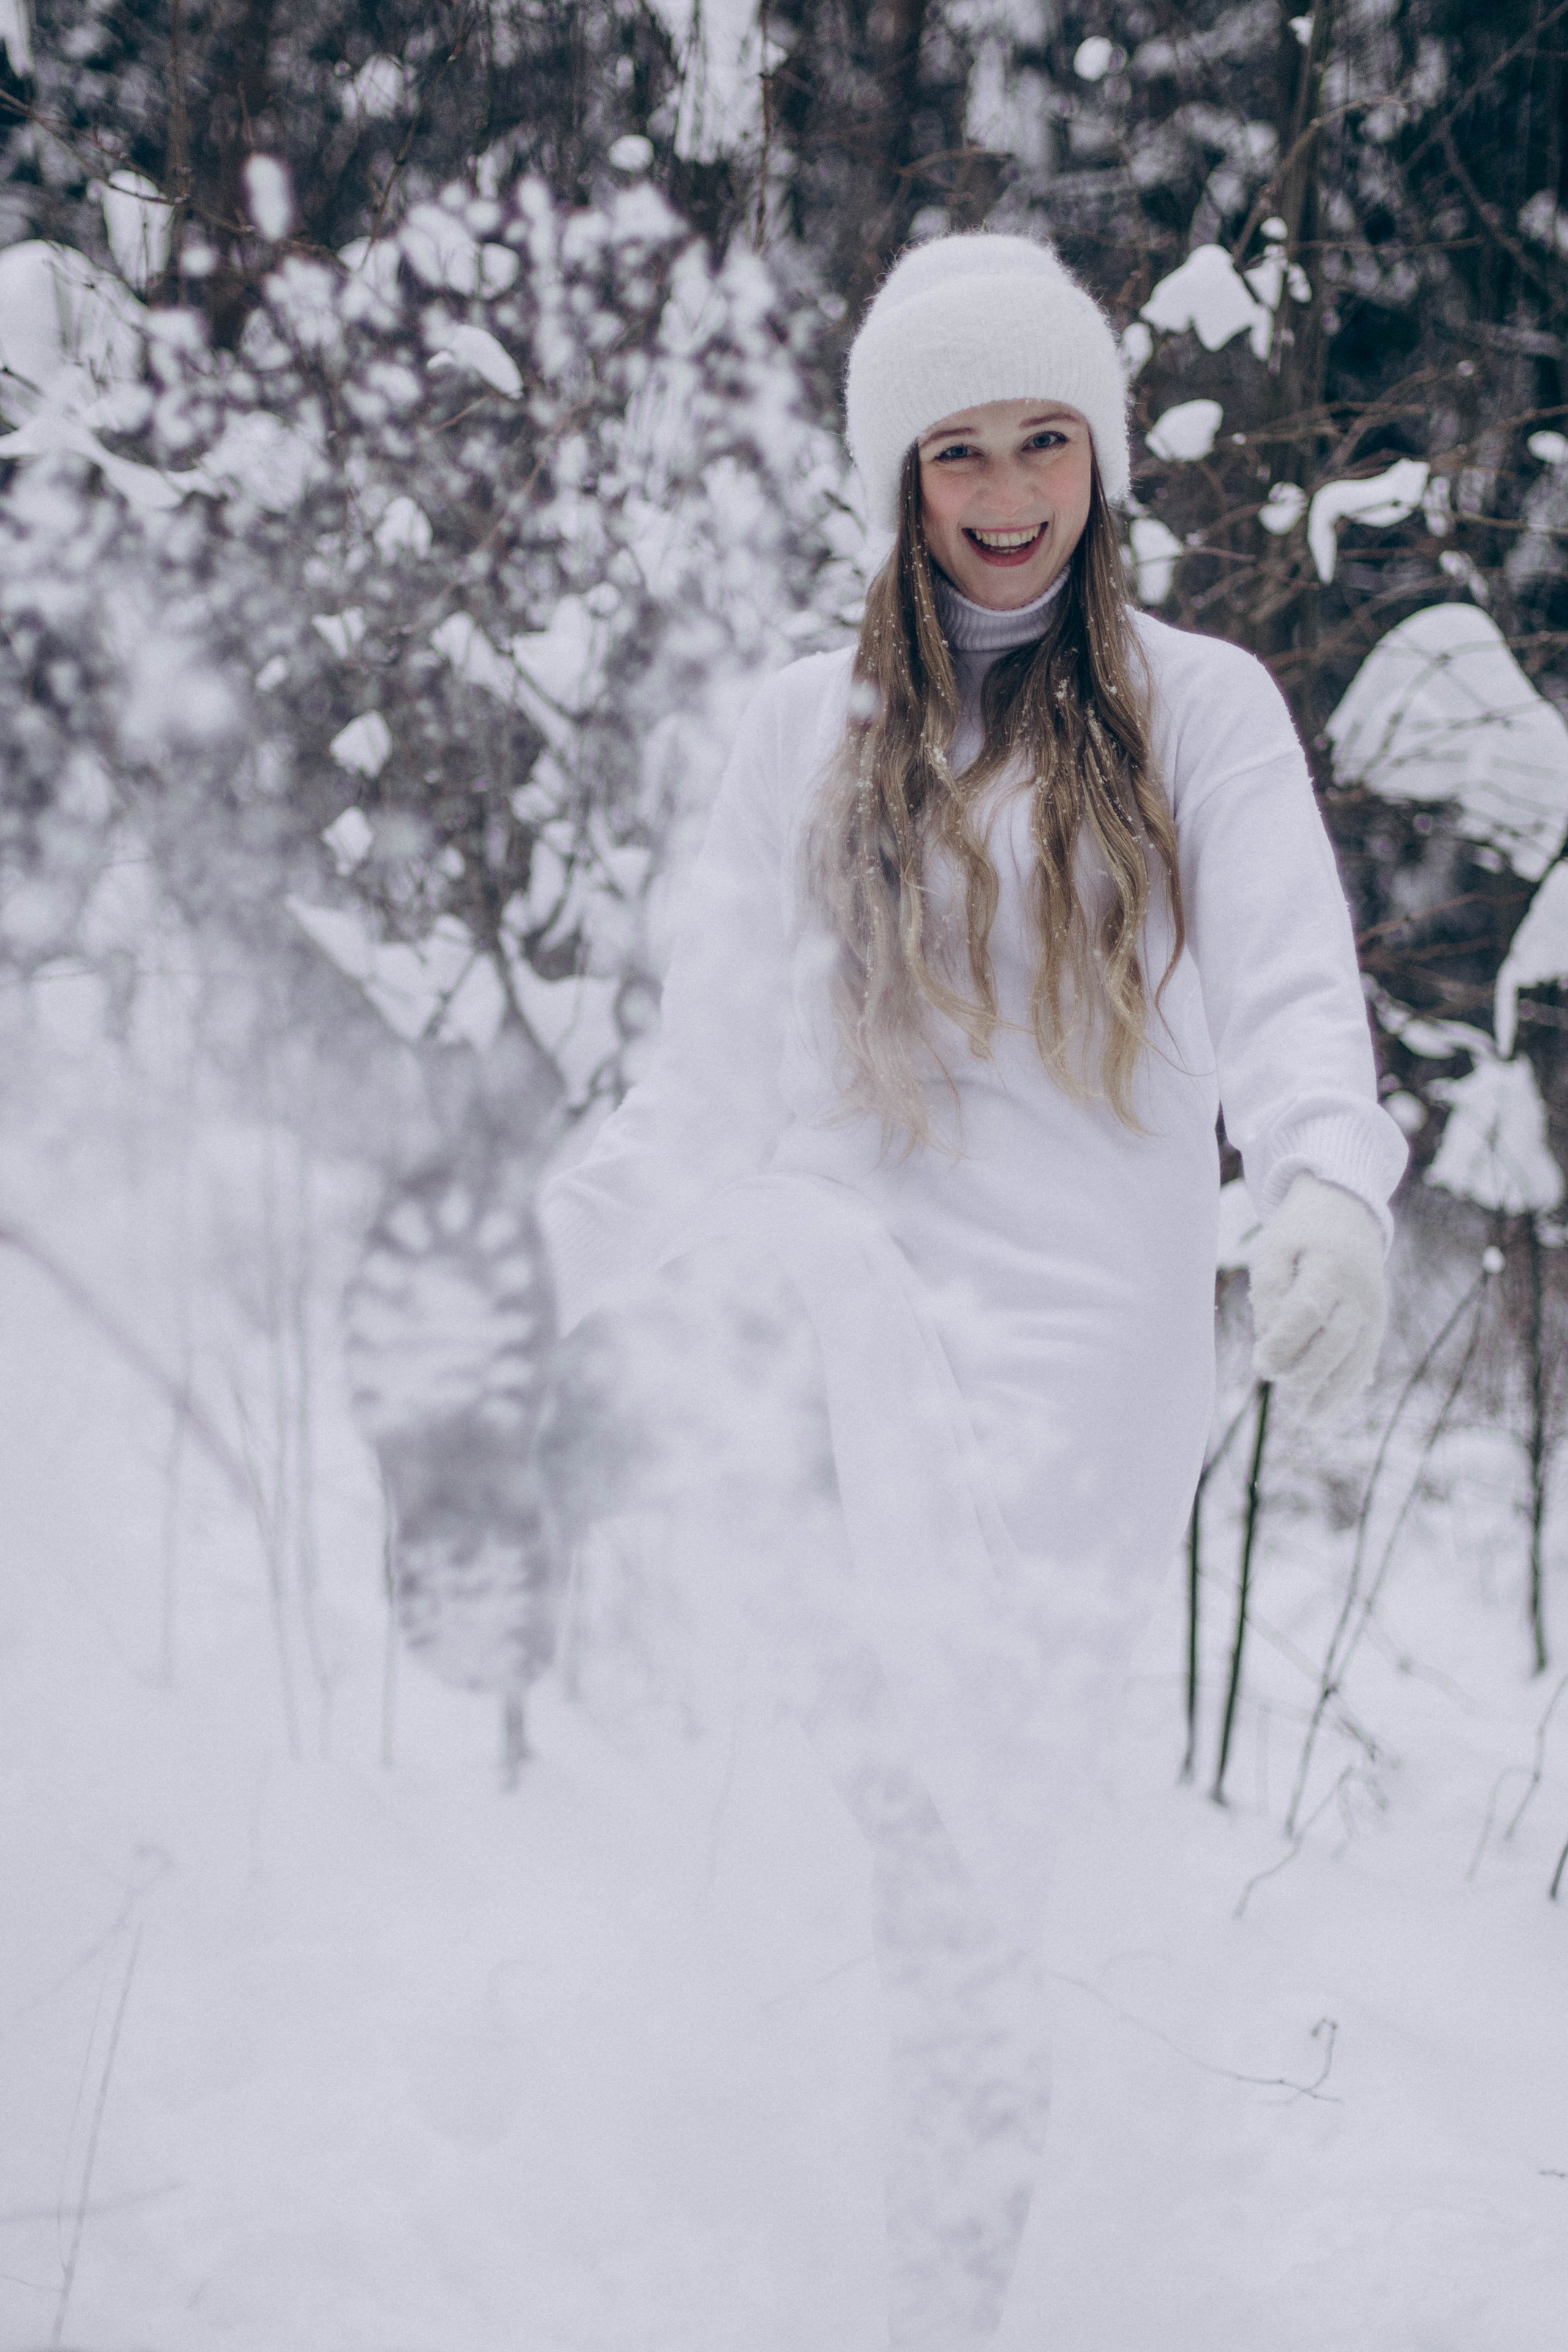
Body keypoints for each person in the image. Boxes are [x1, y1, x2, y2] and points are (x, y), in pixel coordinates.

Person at [537, 232, 1409, 2349]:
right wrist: (547, 1257)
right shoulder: (794, 735)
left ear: (1100, 460)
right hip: (839, 1317)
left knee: (976, 1849)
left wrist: (1331, 1192)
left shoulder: (1205, 712)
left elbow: (1298, 992)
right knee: (859, 1819)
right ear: (896, 478)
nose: (1010, 493)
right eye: (960, 452)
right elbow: (707, 1072)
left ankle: (951, 2287)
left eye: (1046, 442)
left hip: (1086, 1373)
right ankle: (771, 2234)